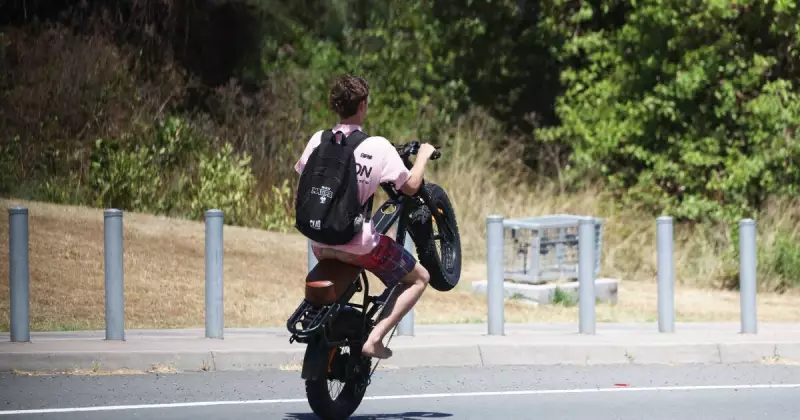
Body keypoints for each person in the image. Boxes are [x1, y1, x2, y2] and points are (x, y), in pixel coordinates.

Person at [294, 73, 435, 359]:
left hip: (320, 244)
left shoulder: (317, 141)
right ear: (363, 106)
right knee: (419, 278)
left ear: (335, 106)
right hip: (359, 246)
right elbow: (410, 187)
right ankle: (375, 339)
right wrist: (423, 156)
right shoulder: (377, 147)